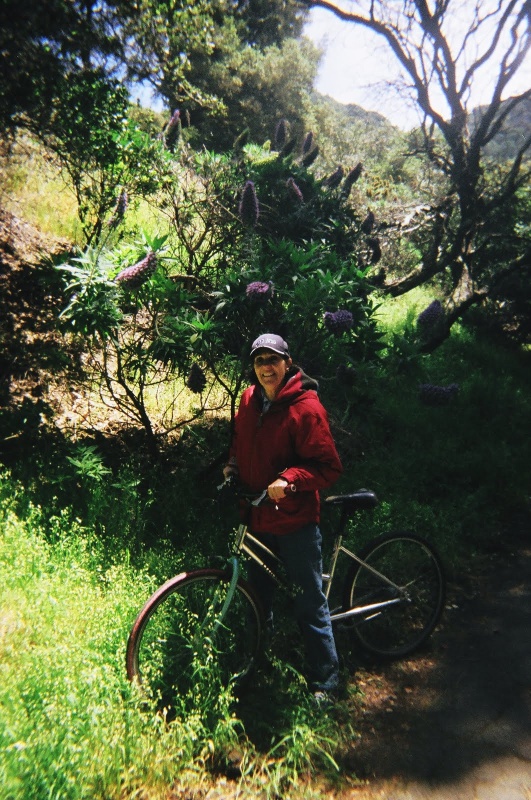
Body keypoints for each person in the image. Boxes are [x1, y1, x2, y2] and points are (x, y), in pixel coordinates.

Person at [223, 333, 343, 702]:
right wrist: (231, 466)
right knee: (257, 597)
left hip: (294, 521)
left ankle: (326, 681)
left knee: (309, 600)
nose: (266, 368)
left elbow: (327, 467)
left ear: (288, 363)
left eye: (272, 360)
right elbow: (240, 440)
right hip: (256, 516)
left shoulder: (306, 408)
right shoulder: (248, 399)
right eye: (259, 361)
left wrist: (289, 480)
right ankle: (256, 666)